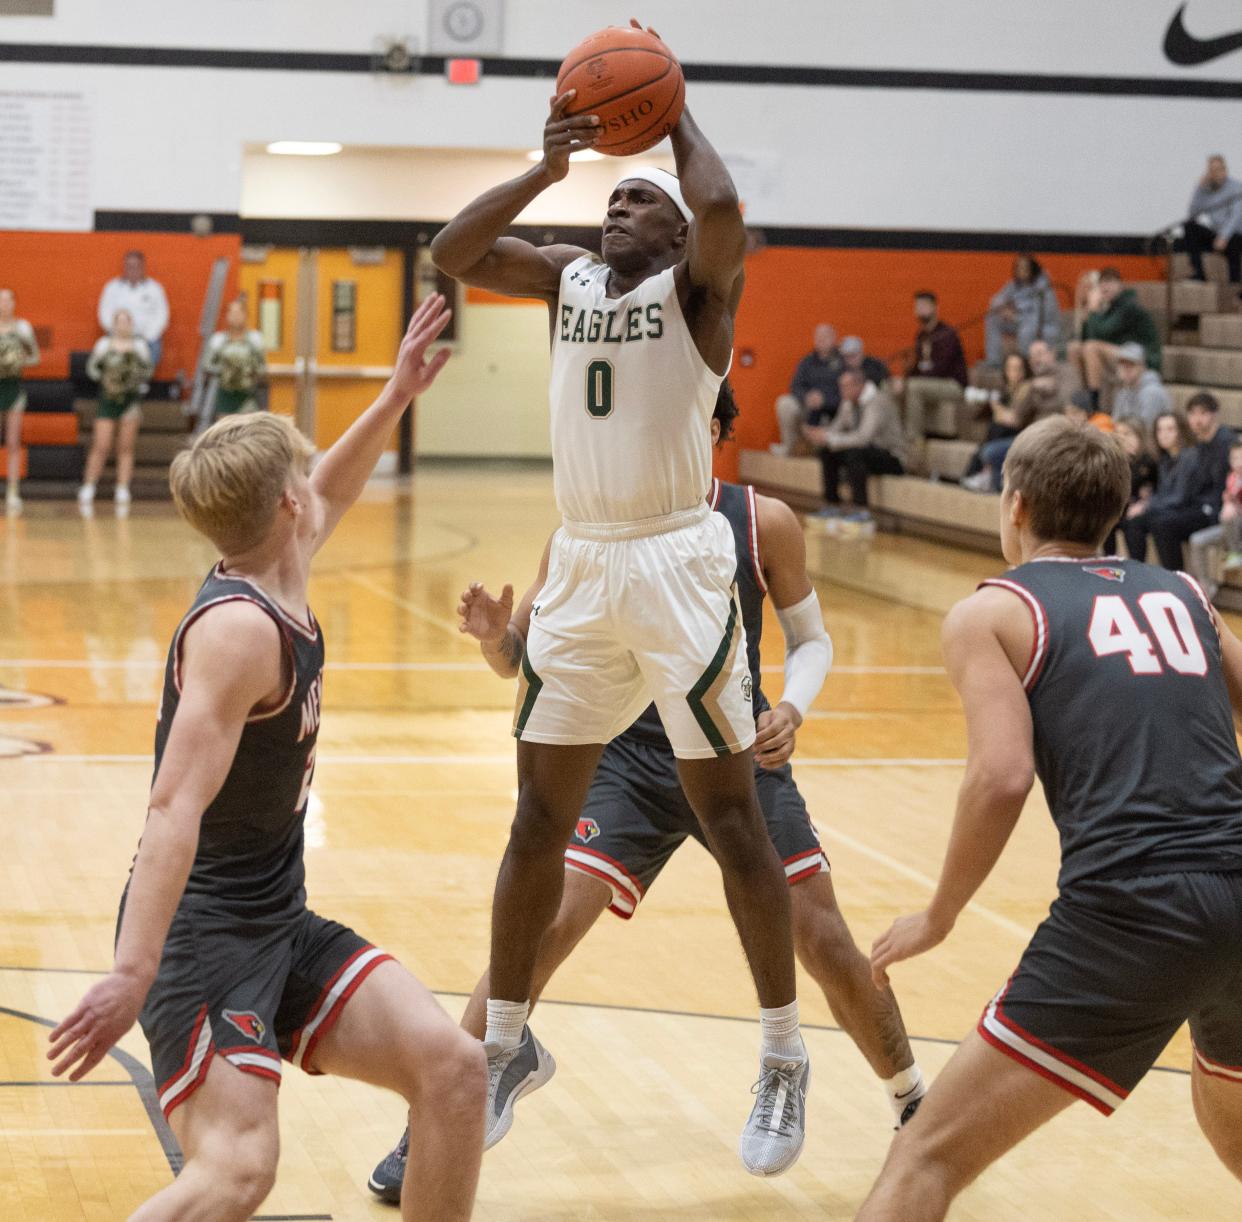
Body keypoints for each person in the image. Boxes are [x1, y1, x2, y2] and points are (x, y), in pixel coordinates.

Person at [367, 384, 927, 1205]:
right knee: (541, 927)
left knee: (827, 942)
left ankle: (916, 1105)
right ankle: (439, 1124)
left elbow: (811, 639)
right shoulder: (585, 532)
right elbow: (526, 662)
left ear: (711, 426)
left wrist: (794, 708)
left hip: (734, 753)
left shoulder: (759, 521)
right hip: (629, 762)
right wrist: (496, 639)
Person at [427, 23, 809, 1177]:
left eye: (640, 202)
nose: (617, 212)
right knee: (536, 818)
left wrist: (672, 105)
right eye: (613, 202)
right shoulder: (564, 277)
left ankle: (784, 1055)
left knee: (734, 818)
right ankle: (500, 1045)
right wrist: (550, 169)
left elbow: (727, 211)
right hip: (586, 566)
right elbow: (453, 249)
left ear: (681, 231)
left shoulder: (702, 291)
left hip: (678, 564)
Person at [47, 297, 486, 1222]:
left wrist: (398, 392)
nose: (313, 479)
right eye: (300, 471)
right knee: (238, 1173)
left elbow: (337, 479)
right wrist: (132, 972)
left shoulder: (278, 558)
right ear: (287, 505)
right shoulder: (241, 630)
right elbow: (172, 811)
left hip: (274, 914)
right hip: (202, 935)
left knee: (453, 1072)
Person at [858, 414, 1242, 1222]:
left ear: (1017, 506)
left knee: (924, 1156)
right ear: (1115, 512)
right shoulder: (1184, 595)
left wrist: (940, 914)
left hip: (1132, 908)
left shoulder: (994, 611)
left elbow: (1001, 777)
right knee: (1227, 1088)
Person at [805, 367, 906, 515]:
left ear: (859, 385)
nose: (841, 390)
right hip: (867, 453)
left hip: (892, 456)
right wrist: (820, 435)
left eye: (845, 386)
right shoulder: (848, 403)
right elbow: (835, 429)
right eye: (840, 386)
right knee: (827, 452)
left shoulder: (877, 401)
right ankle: (832, 504)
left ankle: (861, 510)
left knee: (855, 453)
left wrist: (830, 438)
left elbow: (863, 438)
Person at [79, 309, 153, 508]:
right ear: (114, 324)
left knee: (126, 447)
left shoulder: (139, 346)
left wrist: (131, 380)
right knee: (101, 445)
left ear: (131, 324)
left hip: (130, 402)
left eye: (126, 321)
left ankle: (122, 488)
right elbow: (93, 370)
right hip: (107, 400)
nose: (123, 325)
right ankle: (89, 486)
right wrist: (108, 380)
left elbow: (147, 370)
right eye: (119, 321)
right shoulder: (104, 345)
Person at [1069, 269, 1161, 410]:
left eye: (1110, 282)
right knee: (1074, 348)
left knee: (1091, 348)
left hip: (1143, 357)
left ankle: (1094, 403)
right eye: (1102, 283)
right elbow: (1086, 338)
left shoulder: (1129, 305)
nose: (1105, 287)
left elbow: (1105, 331)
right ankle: (1084, 395)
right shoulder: (1108, 307)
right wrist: (1086, 315)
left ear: (1120, 285)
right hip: (1120, 353)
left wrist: (1093, 311)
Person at [1121, 410, 1196, 562]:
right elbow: (1161, 493)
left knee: (1160, 523)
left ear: (1181, 431)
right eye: (1159, 430)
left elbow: (1179, 497)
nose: (1164, 434)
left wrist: (1146, 506)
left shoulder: (1189, 456)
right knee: (1133, 522)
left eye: (1170, 429)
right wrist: (1145, 503)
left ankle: (1173, 576)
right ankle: (1138, 573)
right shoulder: (1164, 459)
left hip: (1190, 509)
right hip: (1169, 508)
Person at [896, 291, 968, 445]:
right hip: (930, 383)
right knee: (895, 386)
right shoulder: (921, 335)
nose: (920, 309)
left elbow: (941, 368)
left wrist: (913, 380)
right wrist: (904, 379)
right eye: (917, 306)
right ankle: (894, 438)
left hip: (952, 384)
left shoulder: (947, 334)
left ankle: (913, 440)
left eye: (924, 305)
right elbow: (918, 366)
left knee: (914, 387)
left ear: (935, 307)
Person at [961, 352, 1035, 493]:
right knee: (993, 429)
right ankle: (984, 474)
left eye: (1017, 369)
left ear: (1025, 370)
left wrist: (997, 409)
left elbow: (1015, 420)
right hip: (1006, 436)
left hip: (1023, 438)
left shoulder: (1027, 389)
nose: (1013, 373)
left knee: (993, 437)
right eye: (1010, 369)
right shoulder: (1007, 390)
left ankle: (982, 473)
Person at [772, 323, 842, 456]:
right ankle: (789, 447)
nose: (821, 340)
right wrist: (807, 397)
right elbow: (795, 386)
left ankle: (825, 453)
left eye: (825, 336)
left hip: (833, 410)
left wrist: (825, 400)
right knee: (785, 403)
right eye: (818, 336)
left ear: (834, 338)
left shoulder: (842, 362)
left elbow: (847, 391)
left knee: (846, 407)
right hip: (807, 407)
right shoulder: (807, 362)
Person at [1186, 437, 1242, 600]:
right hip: (1229, 527)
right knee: (1196, 540)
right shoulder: (1231, 478)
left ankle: (1235, 553)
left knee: (1229, 515)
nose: (1238, 462)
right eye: (1235, 458)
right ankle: (1206, 587)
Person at [0, 287, 40, 511]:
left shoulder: (22, 328)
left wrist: (15, 361)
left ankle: (13, 490)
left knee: (13, 442)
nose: (3, 304)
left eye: (7, 300)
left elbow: (35, 357)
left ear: (13, 303)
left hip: (13, 388)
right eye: (0, 300)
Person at [97, 250, 170, 374]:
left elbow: (162, 315)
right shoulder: (113, 288)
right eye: (129, 266)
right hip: (117, 336)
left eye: (136, 266)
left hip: (146, 338)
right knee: (104, 349)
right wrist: (119, 334)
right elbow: (104, 313)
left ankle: (142, 383)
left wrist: (148, 336)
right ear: (124, 267)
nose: (132, 270)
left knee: (153, 348)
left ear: (143, 267)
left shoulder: (154, 288)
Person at [984, 255, 1061, 367]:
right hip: (1021, 321)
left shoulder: (1043, 287)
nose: (1021, 271)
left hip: (1044, 327)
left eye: (1025, 268)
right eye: (1018, 268)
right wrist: (1004, 309)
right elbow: (995, 301)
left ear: (1033, 269)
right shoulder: (1014, 285)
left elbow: (1037, 319)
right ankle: (994, 361)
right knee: (992, 318)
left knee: (1026, 331)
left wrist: (1014, 317)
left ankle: (1024, 367)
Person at [1181, 154, 1242, 291]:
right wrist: (1199, 188)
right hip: (1217, 234)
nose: (1215, 174)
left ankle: (1235, 286)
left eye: (1218, 170)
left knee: (1234, 240)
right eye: (1211, 171)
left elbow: (1236, 216)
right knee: (1189, 227)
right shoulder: (1206, 190)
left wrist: (1224, 236)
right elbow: (1192, 214)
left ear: (1224, 170)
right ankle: (1199, 274)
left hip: (1234, 234)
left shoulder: (1236, 188)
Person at [1105, 416, 1159, 555]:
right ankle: (1108, 561)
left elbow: (1157, 488)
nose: (1121, 438)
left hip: (1143, 507)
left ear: (1139, 436)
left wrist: (1146, 502)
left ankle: (1136, 566)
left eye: (1127, 434)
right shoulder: (1114, 459)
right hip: (1120, 506)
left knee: (1132, 523)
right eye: (1118, 433)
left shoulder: (1150, 461)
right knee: (1106, 519)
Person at [205, 300, 267, 419]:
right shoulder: (217, 340)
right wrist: (225, 370)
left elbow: (263, 368)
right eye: (232, 313)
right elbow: (207, 367)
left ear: (245, 315)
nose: (235, 317)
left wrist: (250, 372)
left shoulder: (256, 339)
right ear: (227, 316)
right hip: (225, 396)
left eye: (239, 313)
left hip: (248, 396)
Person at [1111, 341, 1172, 425]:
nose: (1126, 369)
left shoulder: (1152, 392)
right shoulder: (1123, 392)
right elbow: (1115, 423)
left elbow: (1145, 428)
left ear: (1142, 366)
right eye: (1123, 365)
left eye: (1131, 365)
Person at [1024, 338, 1076, 420]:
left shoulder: (1066, 371)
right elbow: (1019, 414)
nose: (1035, 359)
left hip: (1059, 422)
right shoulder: (1029, 378)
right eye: (1032, 357)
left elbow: (1068, 403)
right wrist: (1032, 385)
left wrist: (1053, 387)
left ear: (1052, 354)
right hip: (1033, 425)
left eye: (1039, 354)